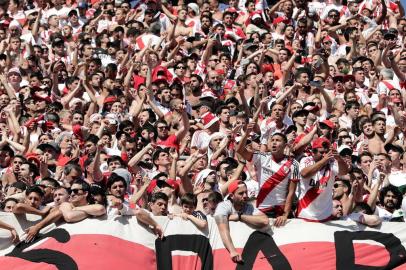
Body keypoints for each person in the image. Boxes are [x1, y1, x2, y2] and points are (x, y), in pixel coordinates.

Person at [214, 181, 269, 263]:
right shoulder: (223, 206)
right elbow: (223, 230)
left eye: (246, 192)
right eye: (241, 193)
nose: (245, 196)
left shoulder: (249, 206)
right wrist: (232, 251)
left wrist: (240, 217)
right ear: (232, 196)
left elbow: (265, 221)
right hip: (227, 253)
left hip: (249, 251)